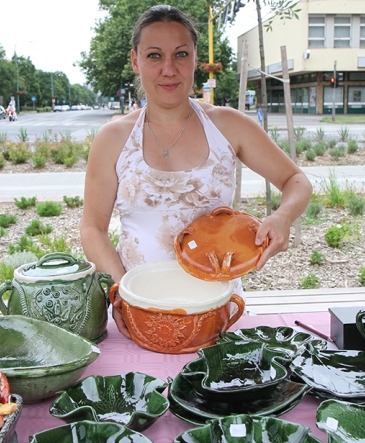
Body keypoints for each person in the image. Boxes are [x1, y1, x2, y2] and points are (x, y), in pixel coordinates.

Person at [80, 5, 313, 338]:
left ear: (195, 60)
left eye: (181, 54)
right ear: (136, 61)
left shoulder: (229, 126)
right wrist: (122, 295)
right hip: (141, 313)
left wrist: (283, 217)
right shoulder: (113, 138)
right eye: (155, 55)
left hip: (218, 312)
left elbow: (296, 181)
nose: (169, 69)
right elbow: (92, 229)